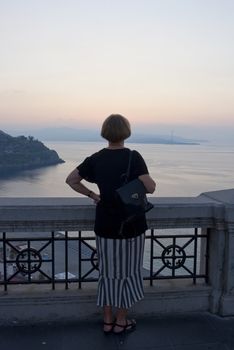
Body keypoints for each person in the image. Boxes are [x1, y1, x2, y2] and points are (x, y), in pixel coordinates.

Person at [66, 114, 156, 334]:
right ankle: (121, 321)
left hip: (105, 225)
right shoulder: (133, 157)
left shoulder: (96, 158)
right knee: (129, 272)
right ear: (126, 132)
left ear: (105, 133)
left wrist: (92, 194)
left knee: (108, 272)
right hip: (131, 226)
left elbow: (71, 180)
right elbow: (151, 187)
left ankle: (107, 320)